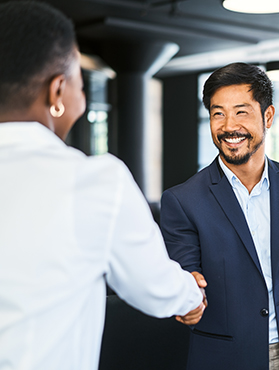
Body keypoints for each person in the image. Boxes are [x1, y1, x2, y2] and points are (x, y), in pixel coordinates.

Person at [0, 2, 206, 369]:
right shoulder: (93, 182)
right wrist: (191, 294)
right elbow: (154, 288)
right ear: (57, 91)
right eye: (79, 78)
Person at [160, 62, 279, 370]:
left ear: (268, 116)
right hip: (224, 361)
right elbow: (185, 280)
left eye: (241, 112)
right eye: (217, 113)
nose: (228, 126)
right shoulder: (182, 201)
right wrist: (187, 296)